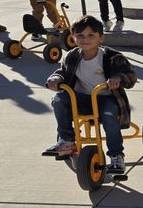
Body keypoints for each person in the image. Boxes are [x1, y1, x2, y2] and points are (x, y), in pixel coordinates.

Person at [44, 15, 137, 174]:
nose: (85, 39)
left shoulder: (112, 57)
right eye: (80, 35)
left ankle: (116, 156)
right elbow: (62, 73)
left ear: (100, 38)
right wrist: (55, 80)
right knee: (59, 99)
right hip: (82, 100)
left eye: (91, 35)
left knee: (109, 116)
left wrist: (118, 78)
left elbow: (130, 76)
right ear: (73, 37)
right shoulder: (72, 56)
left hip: (107, 99)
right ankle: (67, 140)